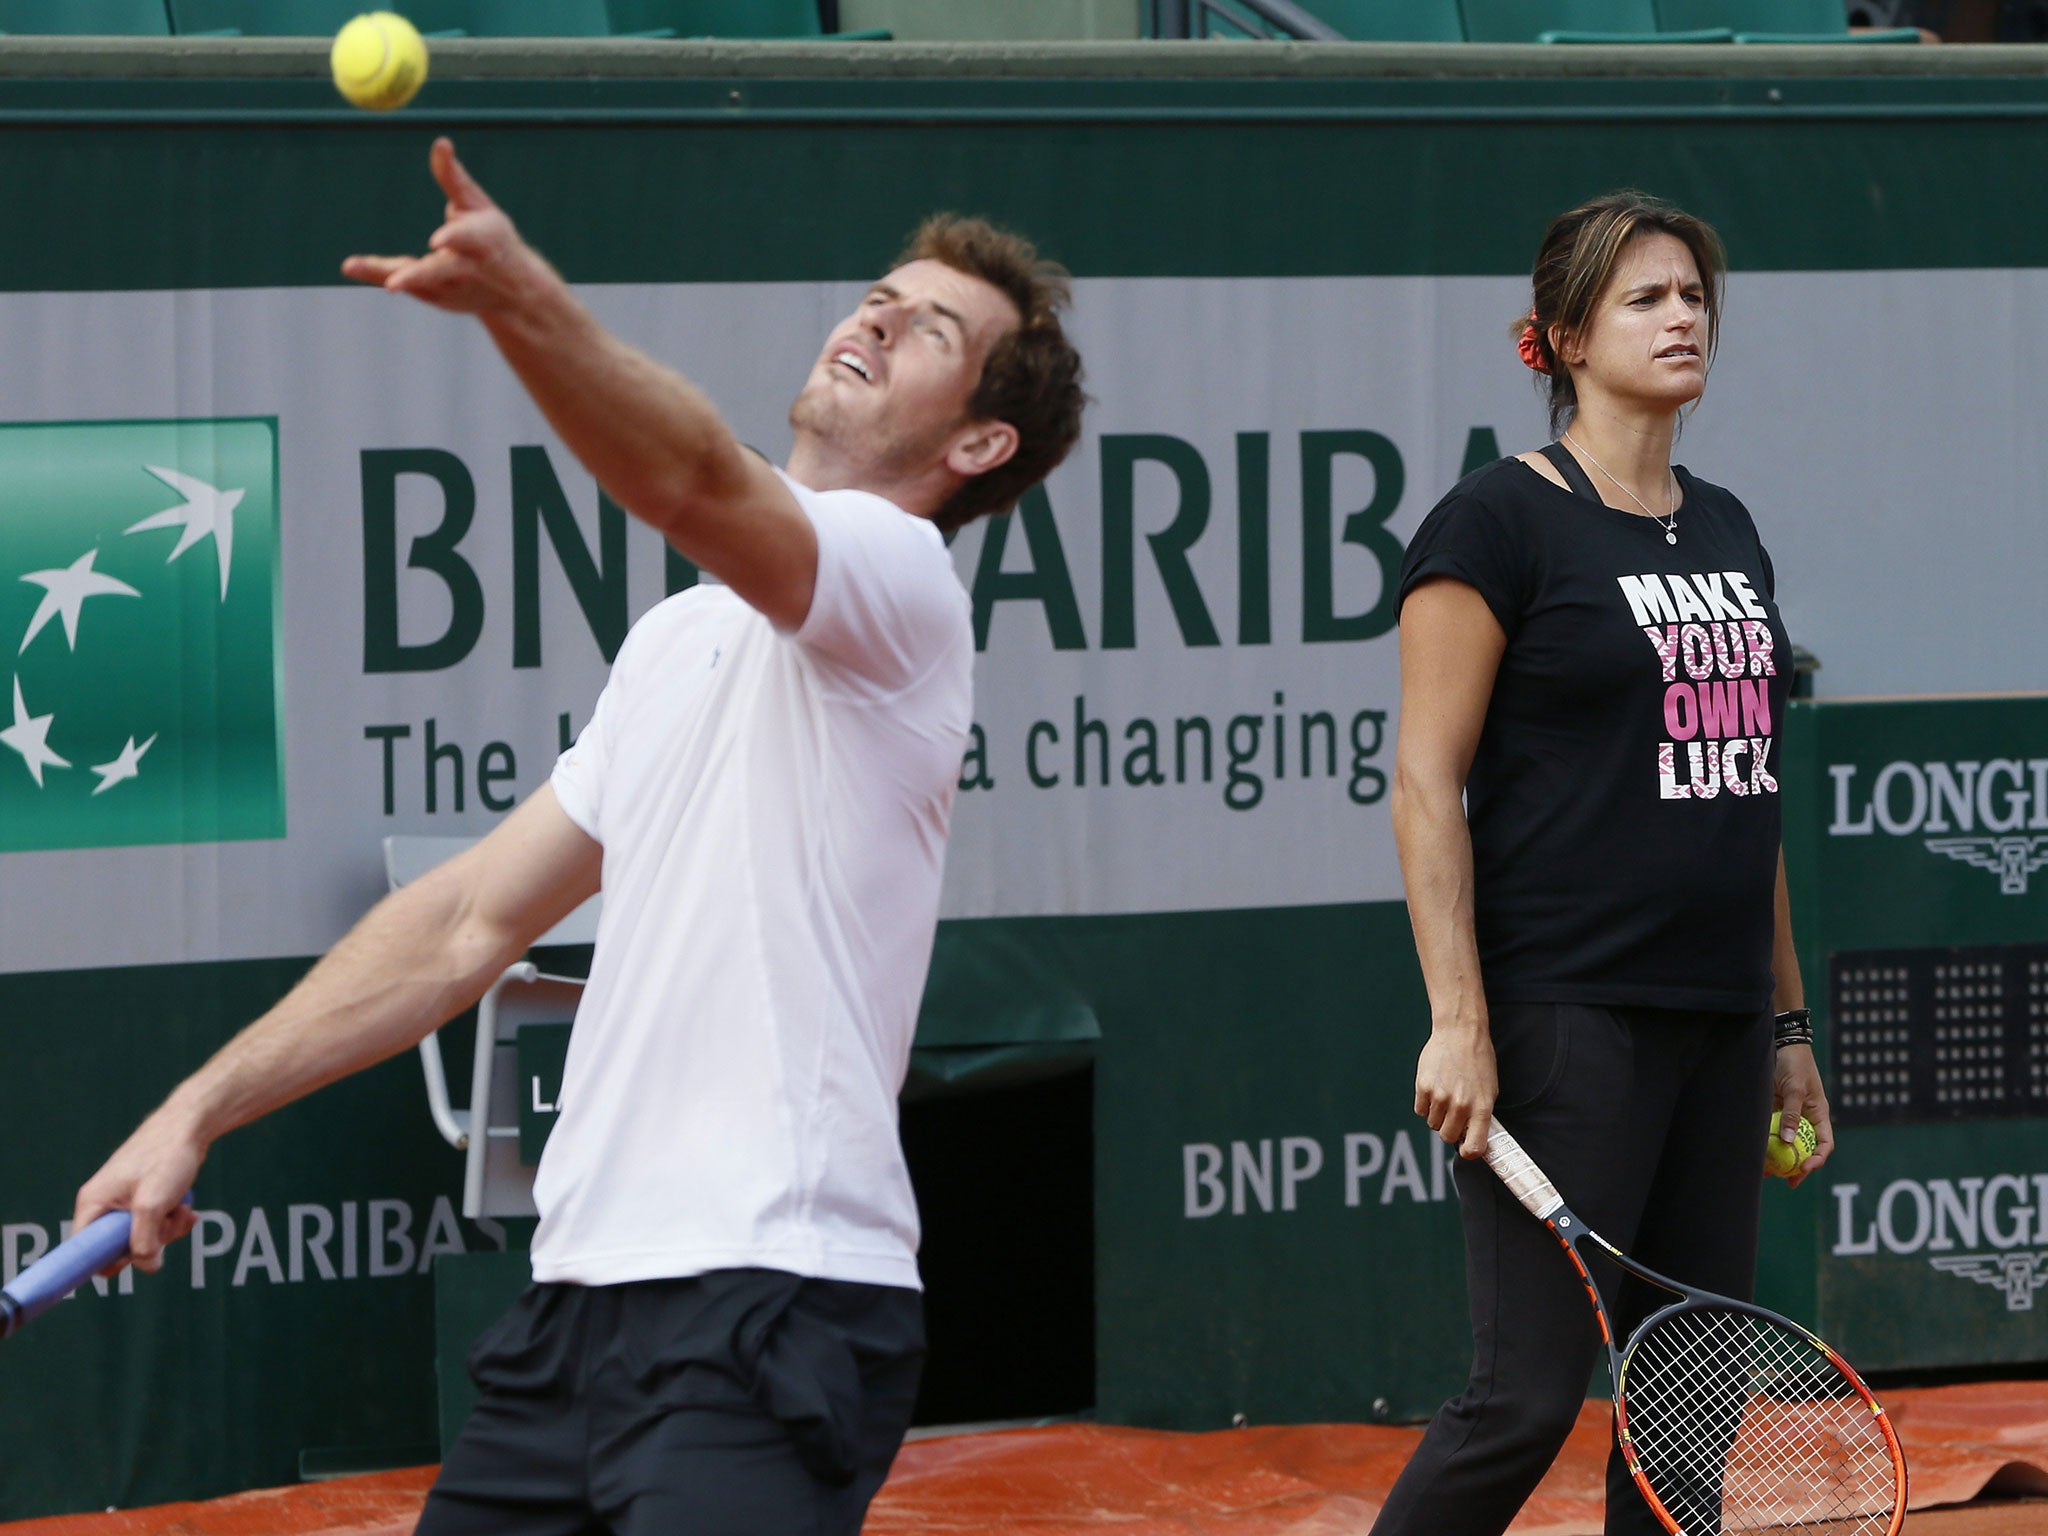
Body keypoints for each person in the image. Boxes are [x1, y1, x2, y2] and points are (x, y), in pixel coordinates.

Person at [73, 136, 1085, 1536]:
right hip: (577, 1315)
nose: (873, 319)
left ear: (978, 443)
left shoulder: (902, 584)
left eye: (930, 330)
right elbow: (467, 921)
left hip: (773, 1297)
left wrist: (524, 305)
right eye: (875, 295)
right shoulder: (676, 644)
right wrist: (197, 1109)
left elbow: (695, 488)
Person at [1371, 191, 1833, 1536]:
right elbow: (1422, 783)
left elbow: (1745, 788)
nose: (1682, 316)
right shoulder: (1497, 524)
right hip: (1565, 1021)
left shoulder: (1731, 528)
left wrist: (1786, 1021)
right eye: (1645, 298)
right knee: (1519, 1402)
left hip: (1720, 1023)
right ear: (1561, 337)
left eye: (1693, 296)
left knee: (1688, 1417)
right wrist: (1460, 1023)